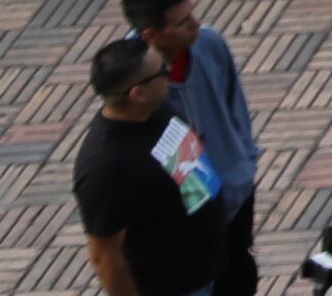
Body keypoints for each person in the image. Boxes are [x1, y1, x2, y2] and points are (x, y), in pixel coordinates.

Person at [116, 0, 256, 296]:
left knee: (240, 276)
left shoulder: (209, 43)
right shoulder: (138, 86)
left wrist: (244, 163)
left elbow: (234, 103)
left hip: (235, 195)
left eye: (192, 15)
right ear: (151, 34)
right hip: (189, 216)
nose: (196, 25)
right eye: (183, 22)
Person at [74, 33, 228, 296]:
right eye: (162, 71)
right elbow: (105, 259)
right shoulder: (106, 166)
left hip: (213, 269)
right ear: (138, 93)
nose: (169, 73)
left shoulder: (154, 109)